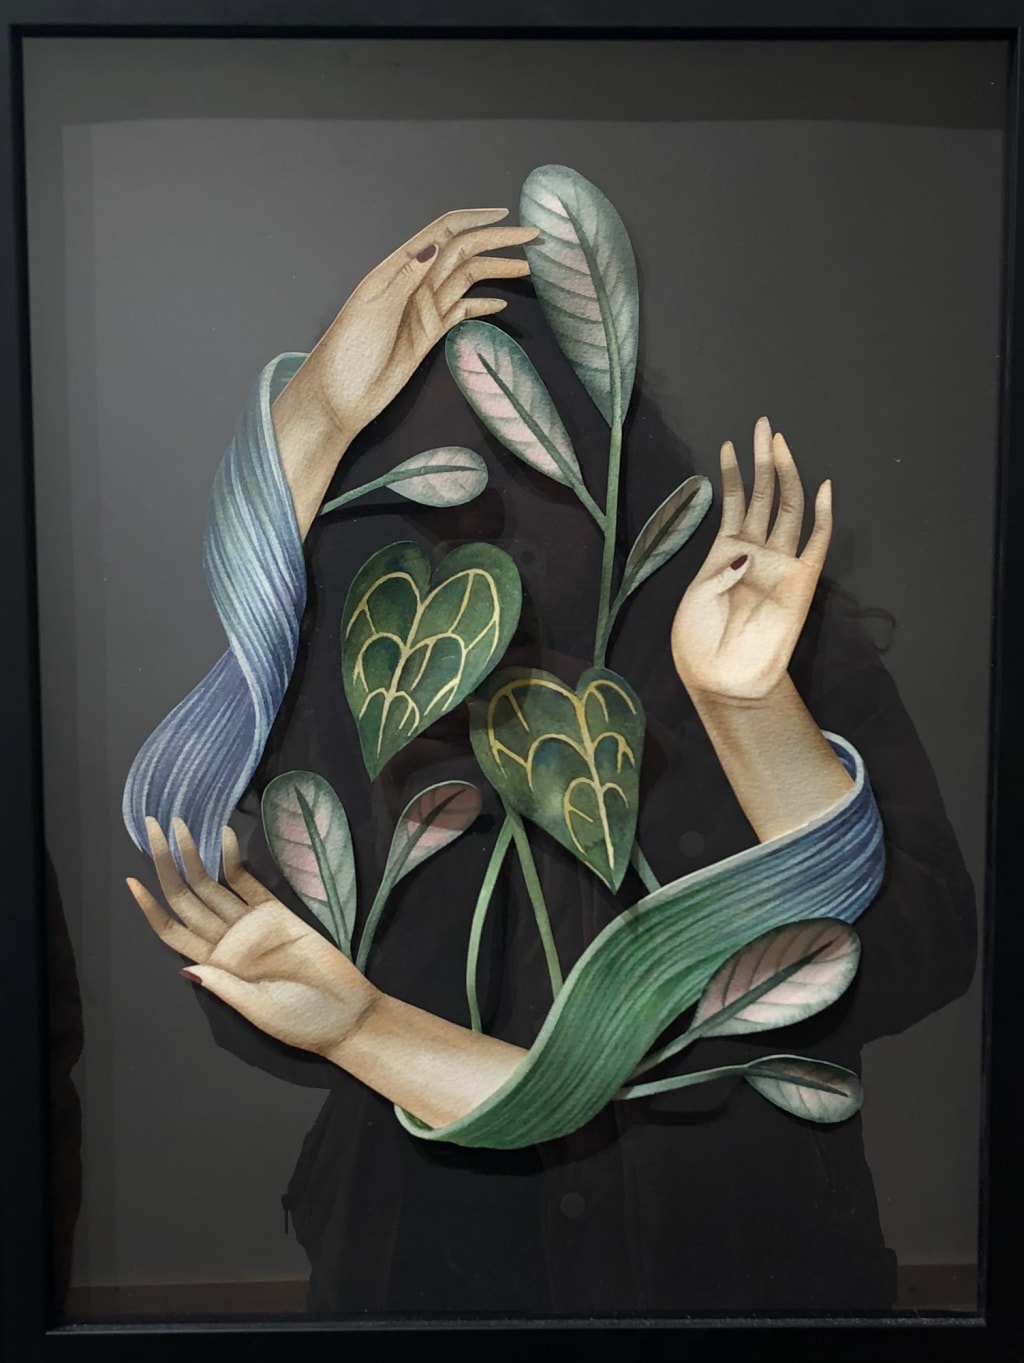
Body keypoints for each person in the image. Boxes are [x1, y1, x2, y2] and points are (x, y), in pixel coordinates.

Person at [125, 206, 977, 1314]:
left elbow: (928, 943)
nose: (487, 505)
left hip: (741, 1262)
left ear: (605, 454)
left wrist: (750, 719)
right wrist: (310, 426)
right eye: (442, 472)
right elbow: (263, 988)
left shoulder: (766, 637)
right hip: (431, 1266)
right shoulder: (377, 675)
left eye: (522, 453)